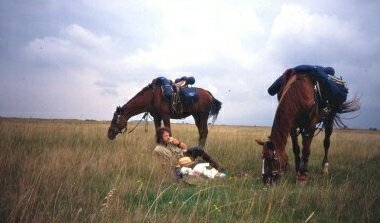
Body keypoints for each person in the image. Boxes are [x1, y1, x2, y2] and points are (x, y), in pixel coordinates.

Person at [153, 127, 223, 170]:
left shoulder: (171, 141)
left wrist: (178, 143)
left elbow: (185, 147)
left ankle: (218, 167)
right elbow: (159, 163)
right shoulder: (158, 149)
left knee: (198, 149)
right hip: (178, 162)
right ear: (160, 137)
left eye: (168, 135)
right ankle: (196, 165)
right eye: (166, 136)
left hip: (184, 155)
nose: (168, 137)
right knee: (199, 163)